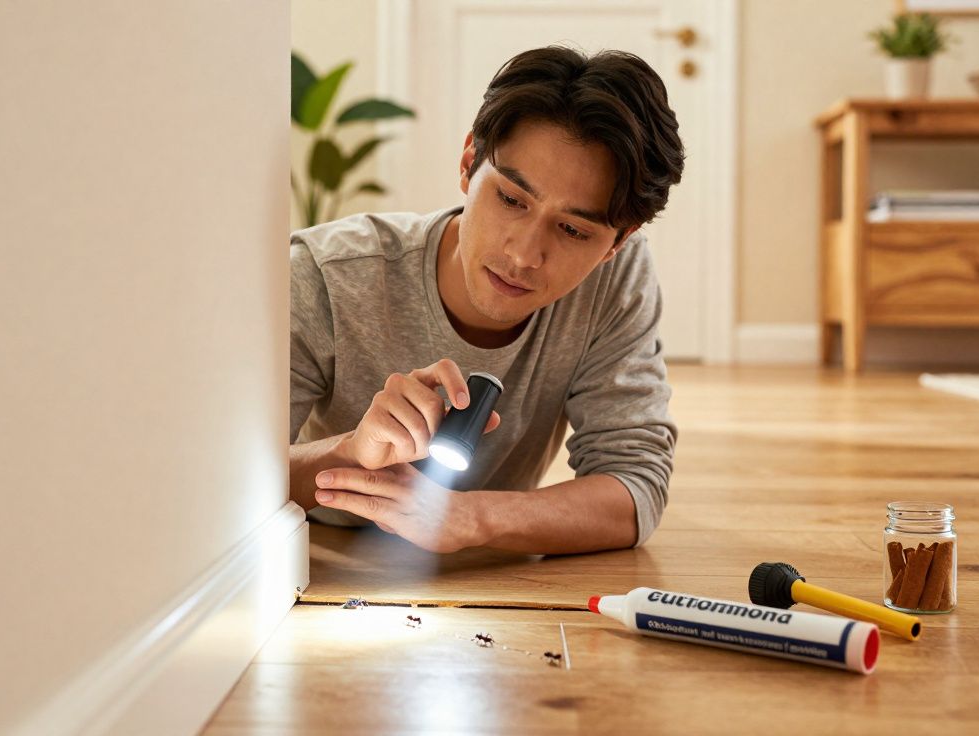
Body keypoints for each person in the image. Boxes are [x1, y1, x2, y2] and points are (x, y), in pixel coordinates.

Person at [289, 46, 684, 555]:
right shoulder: (327, 274)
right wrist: (349, 452)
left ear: (618, 242)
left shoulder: (614, 280)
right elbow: (217, 483)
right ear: (468, 161)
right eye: (511, 199)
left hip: (489, 570)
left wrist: (472, 519)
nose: (524, 255)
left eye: (572, 229)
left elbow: (636, 483)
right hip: (317, 556)